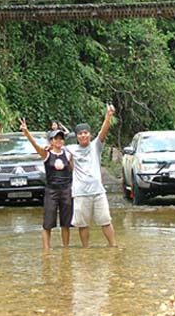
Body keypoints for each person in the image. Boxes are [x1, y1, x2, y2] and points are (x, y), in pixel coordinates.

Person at [68, 104, 117, 248]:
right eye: (80, 133)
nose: (83, 135)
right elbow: (58, 154)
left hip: (98, 191)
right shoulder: (71, 149)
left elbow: (103, 132)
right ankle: (86, 249)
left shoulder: (96, 146)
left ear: (90, 134)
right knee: (82, 224)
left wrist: (108, 116)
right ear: (76, 137)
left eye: (86, 133)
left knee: (106, 221)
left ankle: (113, 246)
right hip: (80, 193)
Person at [20, 118, 74, 249]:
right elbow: (35, 145)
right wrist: (27, 133)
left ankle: (66, 249)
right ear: (51, 141)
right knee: (48, 222)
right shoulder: (46, 154)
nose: (59, 141)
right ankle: (46, 251)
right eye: (56, 138)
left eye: (61, 138)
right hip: (51, 190)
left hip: (66, 190)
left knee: (66, 223)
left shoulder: (68, 154)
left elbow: (73, 170)